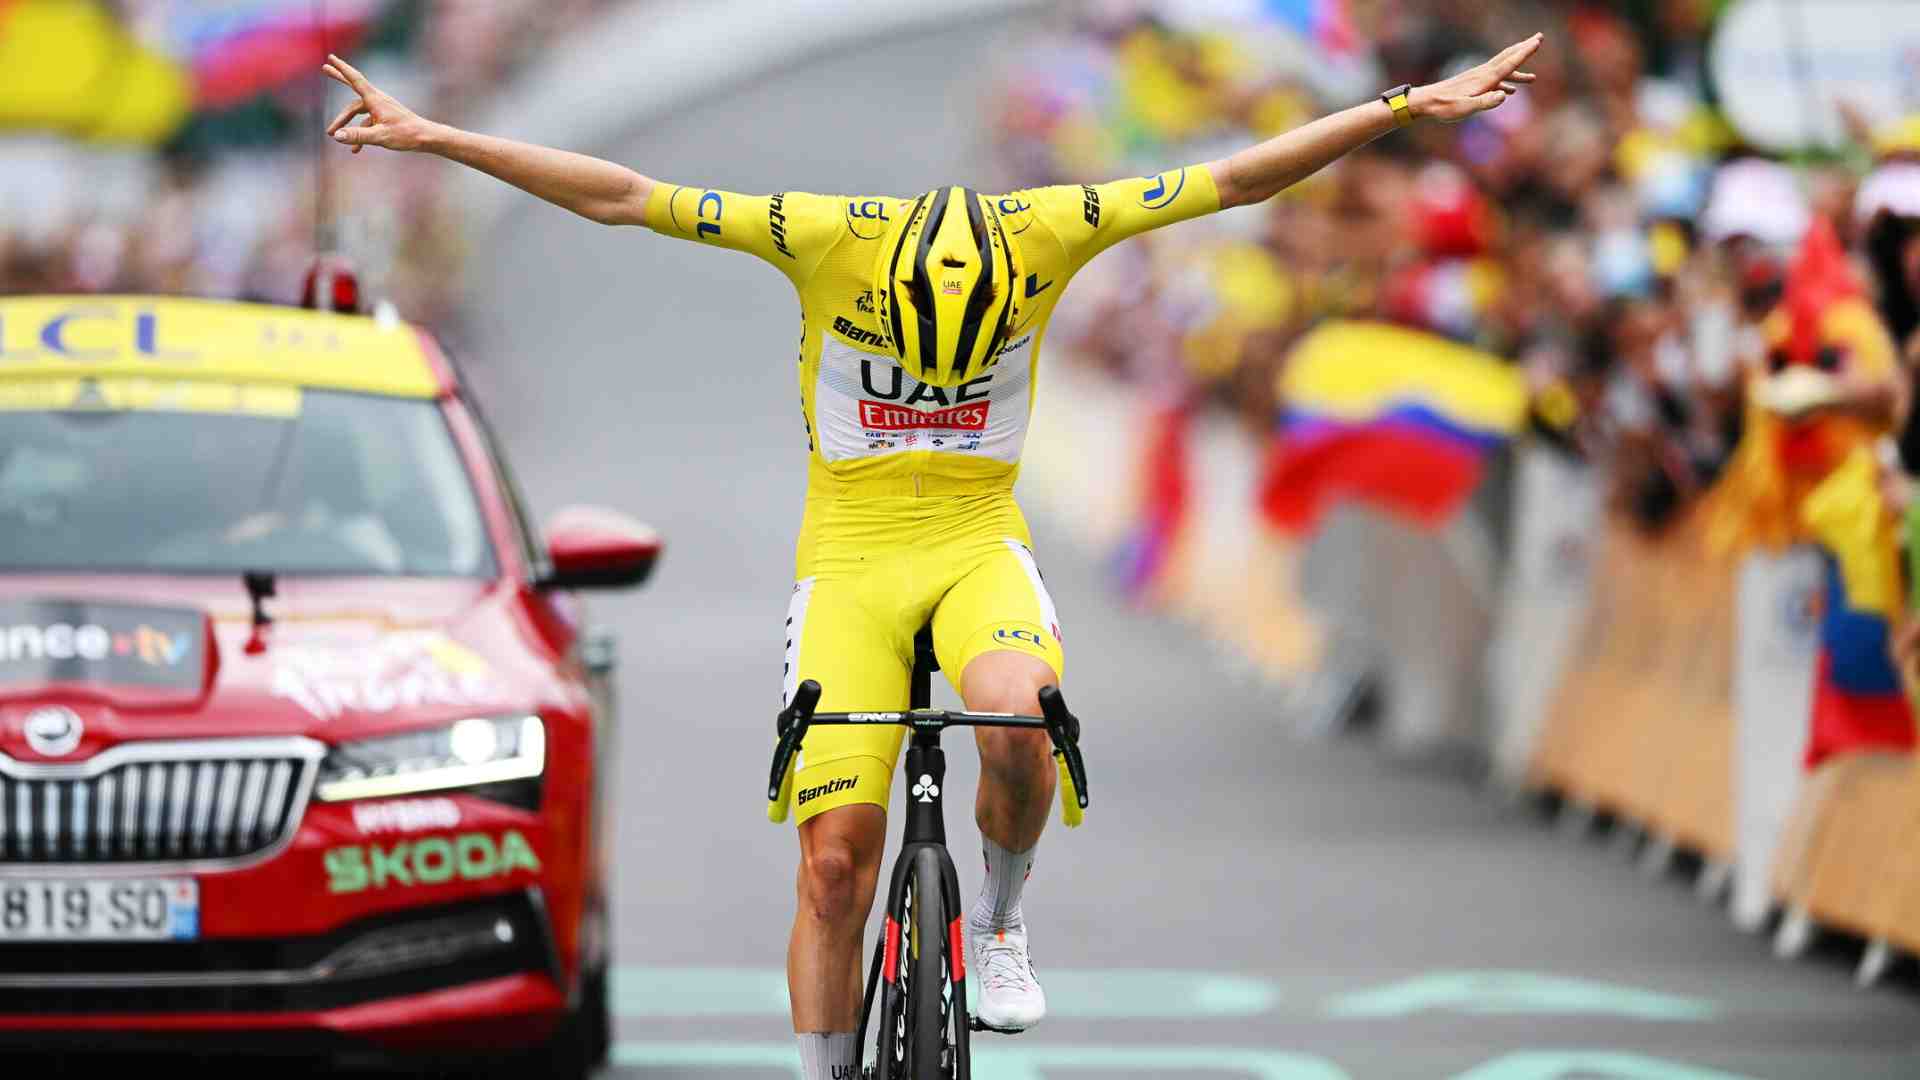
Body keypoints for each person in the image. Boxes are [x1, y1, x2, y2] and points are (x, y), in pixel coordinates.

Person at [320, 34, 1541, 1077]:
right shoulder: (822, 234)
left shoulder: (1053, 226)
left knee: (1021, 714)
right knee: (835, 869)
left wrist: (1401, 108)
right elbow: (624, 194)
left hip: (974, 545)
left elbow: (1236, 179)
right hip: (849, 559)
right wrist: (439, 138)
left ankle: (1000, 927)